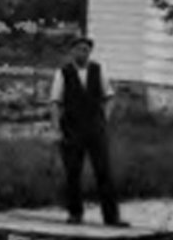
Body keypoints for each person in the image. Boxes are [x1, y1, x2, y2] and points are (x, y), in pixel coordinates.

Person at [49, 36, 124, 227]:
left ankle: (111, 217)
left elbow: (109, 97)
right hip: (72, 128)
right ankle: (75, 213)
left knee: (104, 171)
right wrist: (56, 129)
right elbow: (55, 103)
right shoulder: (63, 73)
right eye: (79, 49)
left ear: (90, 52)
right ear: (72, 51)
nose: (82, 53)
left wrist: (104, 117)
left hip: (95, 128)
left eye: (86, 50)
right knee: (73, 172)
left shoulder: (98, 70)